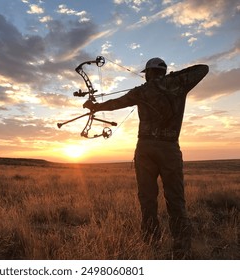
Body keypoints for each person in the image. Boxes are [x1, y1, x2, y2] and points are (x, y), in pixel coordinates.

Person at [83, 57, 209, 259]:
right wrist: (169, 79)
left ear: (149, 72)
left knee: (147, 198)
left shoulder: (141, 91)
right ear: (163, 72)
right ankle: (181, 247)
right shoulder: (178, 83)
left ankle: (151, 242)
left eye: (147, 73)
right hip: (169, 148)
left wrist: (95, 107)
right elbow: (203, 68)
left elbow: (116, 103)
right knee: (175, 199)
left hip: (146, 148)